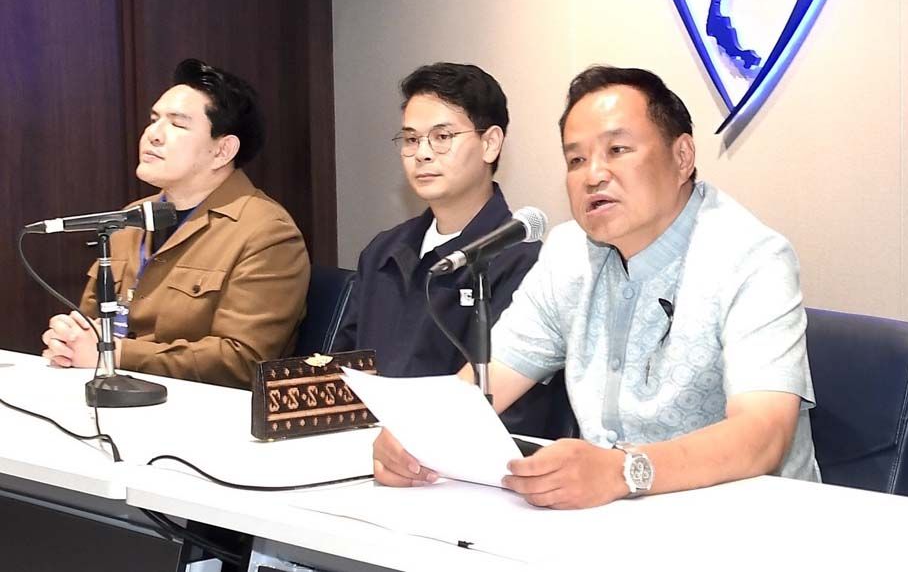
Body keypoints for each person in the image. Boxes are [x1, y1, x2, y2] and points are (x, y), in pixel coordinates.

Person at [373, 65, 819, 507]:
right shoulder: (569, 252)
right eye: (576, 160)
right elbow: (495, 374)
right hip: (608, 517)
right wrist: (418, 434)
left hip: (745, 518)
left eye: (618, 150)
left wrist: (624, 471)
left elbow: (763, 434)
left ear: (682, 156)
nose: (593, 175)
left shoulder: (751, 257)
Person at [332, 62, 571, 438]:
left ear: (490, 143)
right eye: (411, 140)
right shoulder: (383, 252)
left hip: (463, 455)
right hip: (368, 448)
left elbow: (517, 415)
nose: (422, 154)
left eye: (442, 136)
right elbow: (344, 372)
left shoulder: (524, 263)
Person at [40, 58, 310, 388]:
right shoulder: (129, 218)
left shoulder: (267, 232)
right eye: (154, 120)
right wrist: (68, 340)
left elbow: (243, 360)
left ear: (222, 150)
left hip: (197, 409)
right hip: (110, 394)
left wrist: (116, 354)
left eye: (177, 124)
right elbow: (91, 324)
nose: (152, 135)